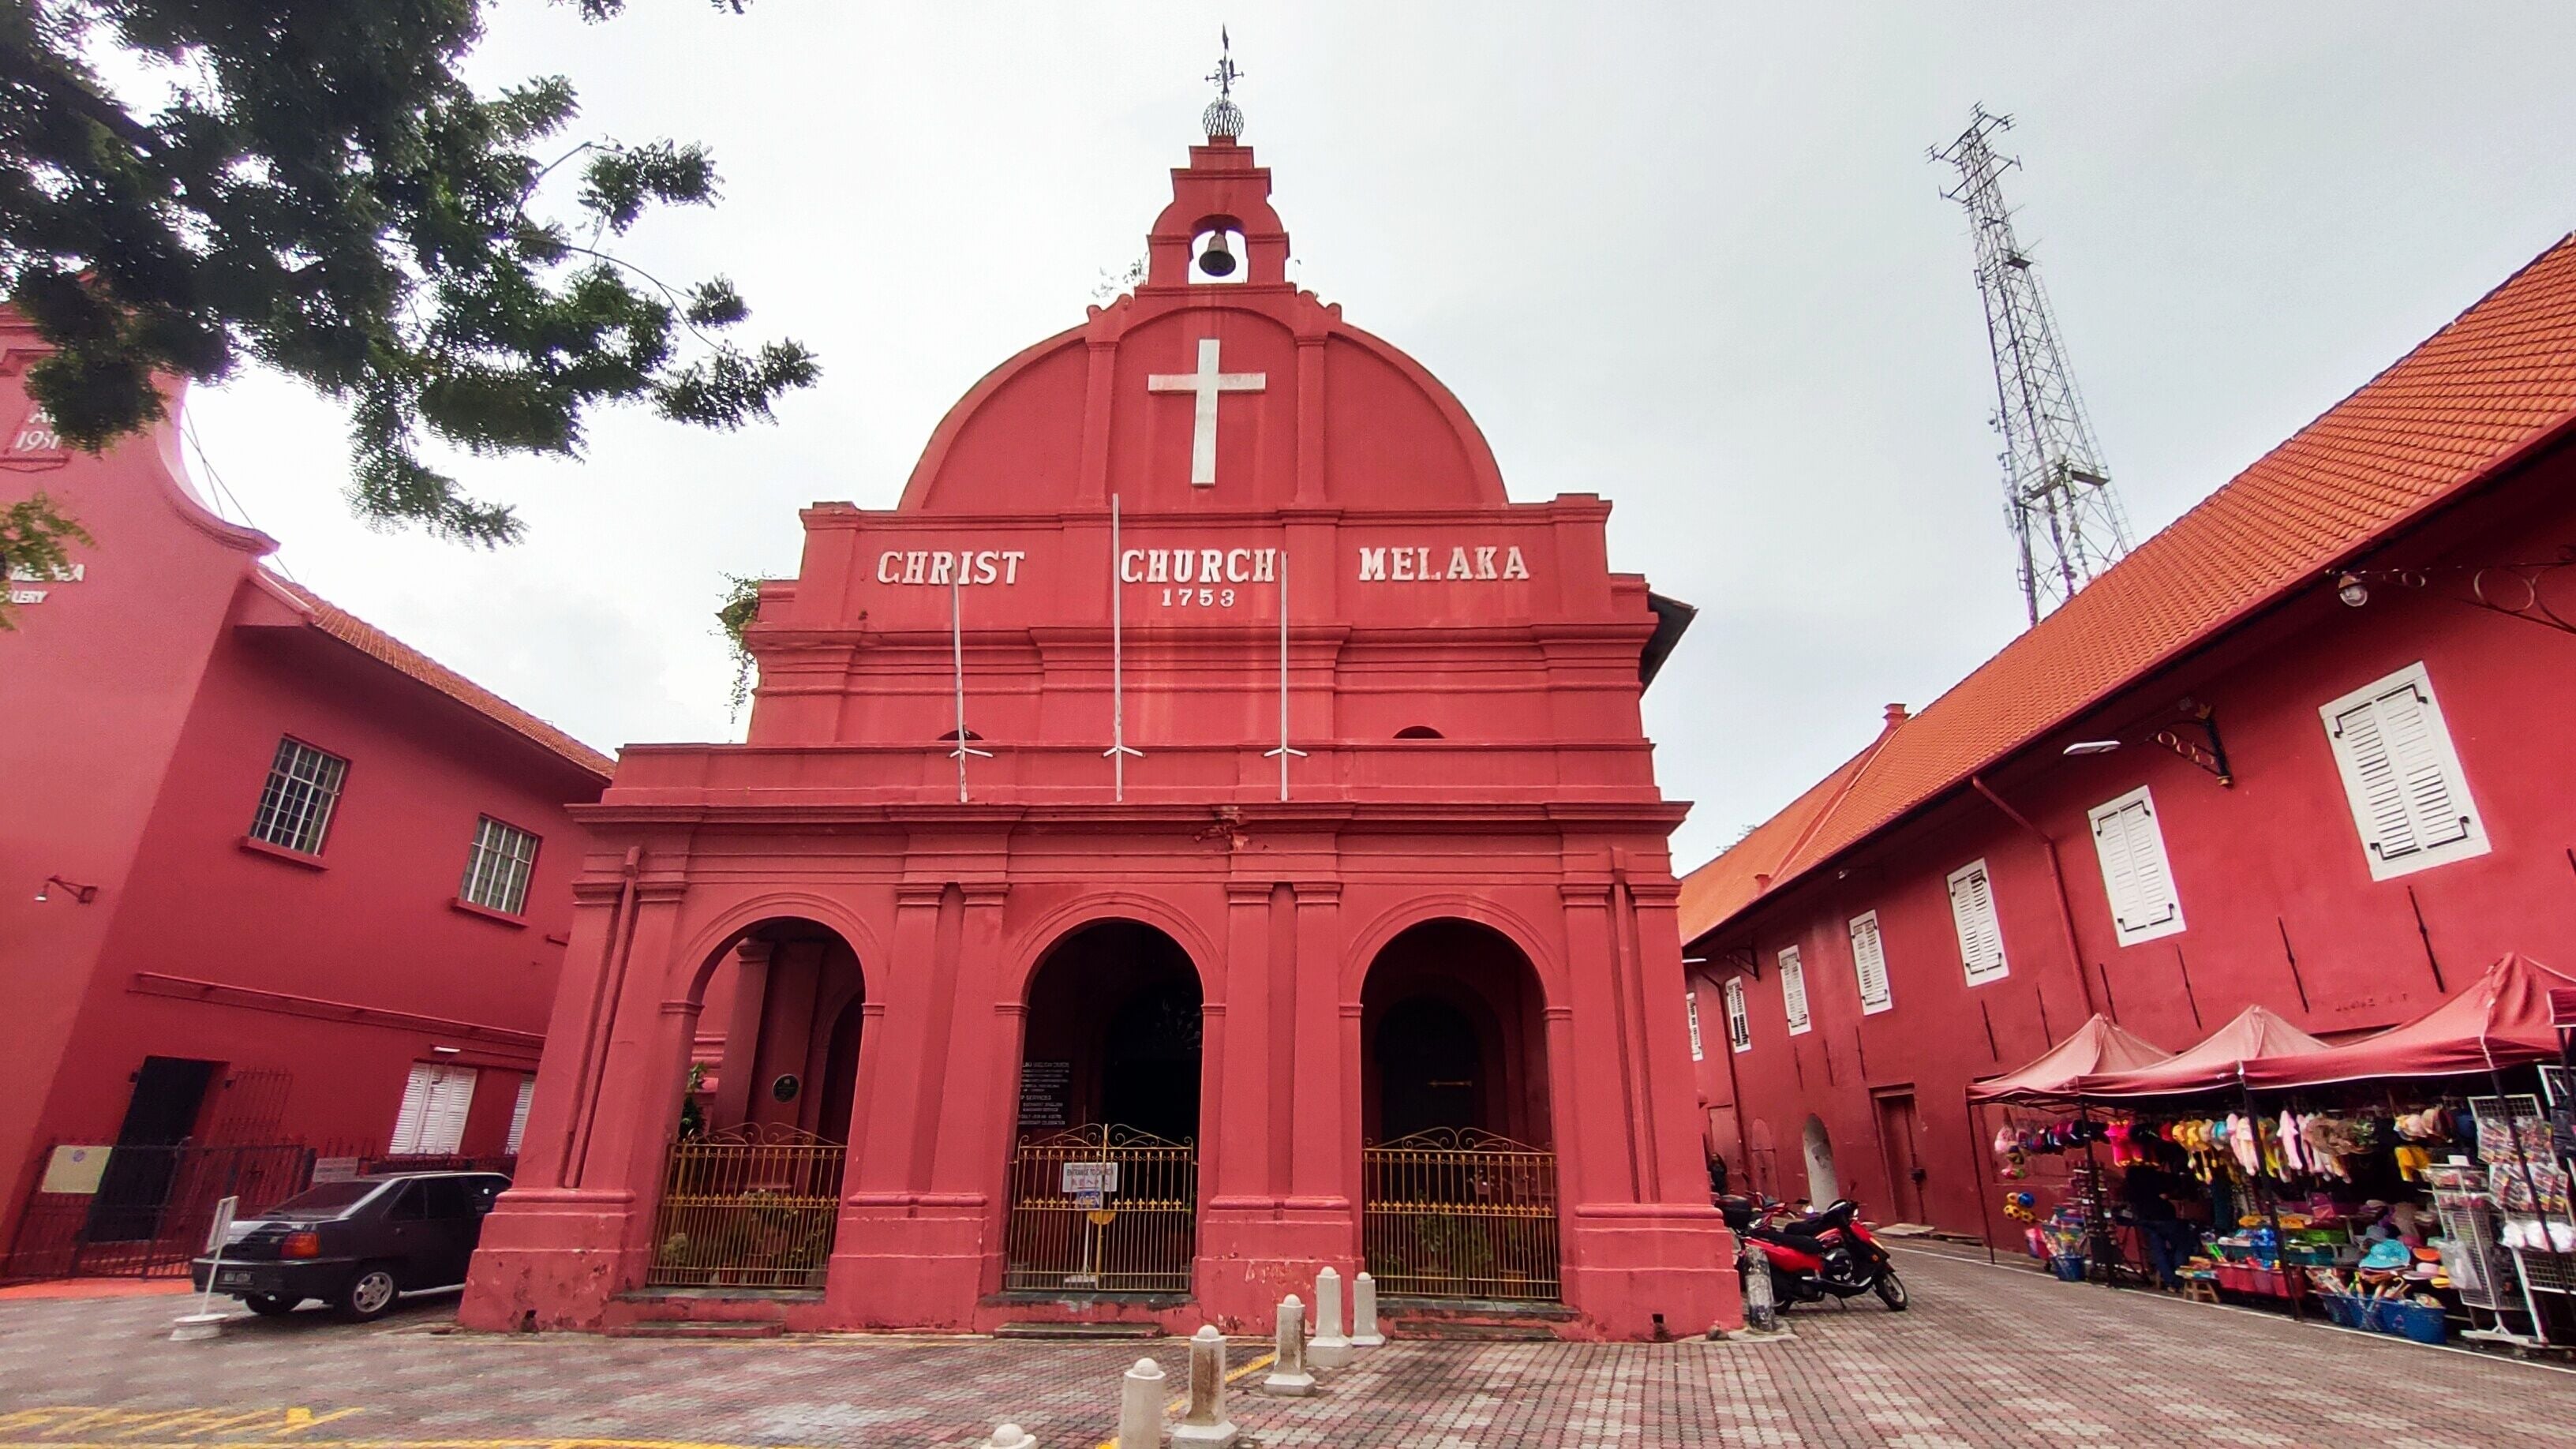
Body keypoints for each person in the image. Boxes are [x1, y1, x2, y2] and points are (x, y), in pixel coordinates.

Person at [2122, 1163, 2199, 1290]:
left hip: (2144, 1218)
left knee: (2158, 1250)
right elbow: (2176, 1182)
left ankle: (2170, 1282)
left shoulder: (2131, 1177)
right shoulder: (2154, 1176)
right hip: (2164, 1217)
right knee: (2182, 1244)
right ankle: (2180, 1279)